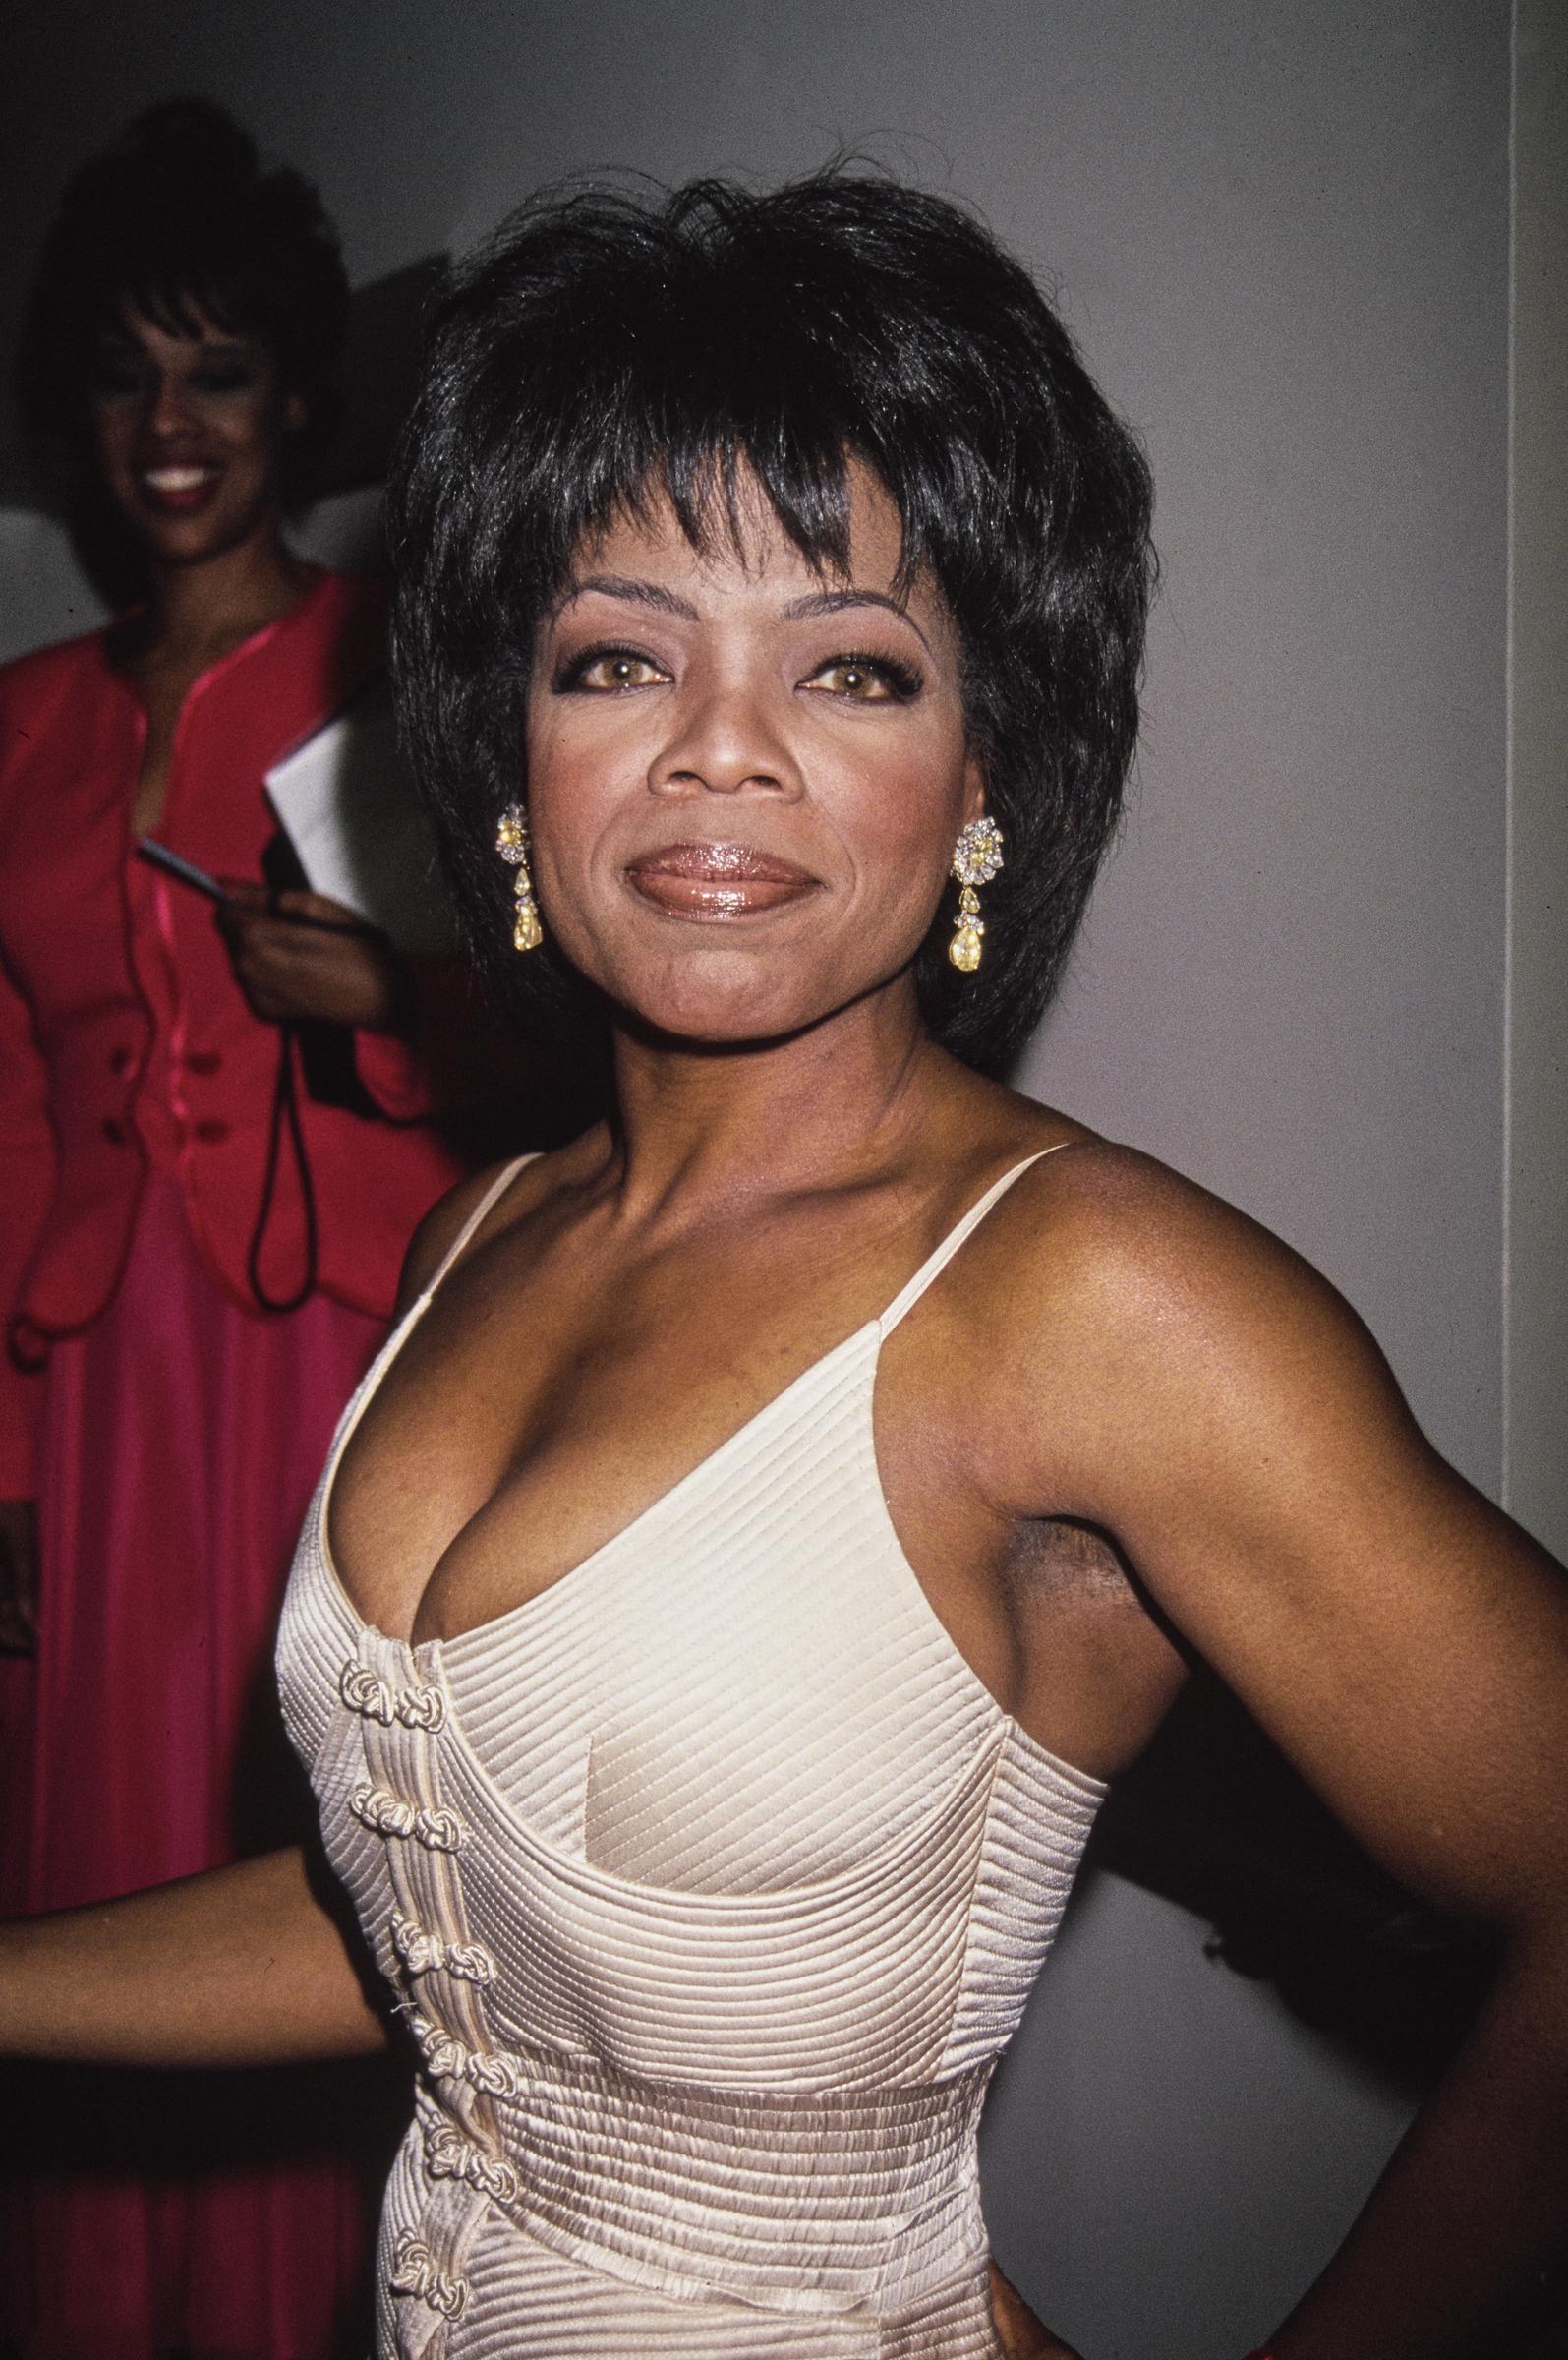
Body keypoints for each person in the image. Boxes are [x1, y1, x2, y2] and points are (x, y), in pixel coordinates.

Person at [3, 169, 1567, 2360]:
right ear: (513, 763)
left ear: (982, 766)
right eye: (619, 654)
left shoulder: (1090, 1300)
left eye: (850, 666)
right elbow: (434, 1932)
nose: (717, 747)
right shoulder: (477, 1234)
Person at [0, 103, 478, 2360]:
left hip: (328, 1363)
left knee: (331, 1874)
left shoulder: (410, 665)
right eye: (123, 375)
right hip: (94, 1392)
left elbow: (575, 1041)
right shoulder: (10, 729)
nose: (169, 427)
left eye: (218, 372)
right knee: (100, 1864)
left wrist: (391, 1002)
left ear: (299, 396)